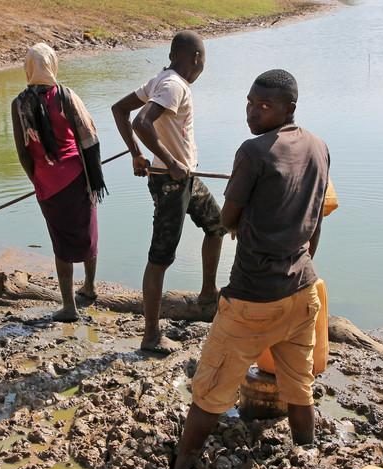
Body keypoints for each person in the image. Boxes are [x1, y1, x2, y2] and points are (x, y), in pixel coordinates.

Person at [168, 69, 330, 469]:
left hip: (253, 297)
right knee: (298, 385)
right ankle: (306, 458)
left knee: (211, 388)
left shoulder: (254, 152)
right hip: (302, 290)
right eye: (250, 103)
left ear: (288, 108)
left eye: (264, 106)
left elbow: (227, 218)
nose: (253, 113)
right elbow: (314, 225)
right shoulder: (318, 147)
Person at [111, 31, 225, 354]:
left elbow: (120, 110)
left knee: (217, 225)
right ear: (196, 59)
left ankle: (207, 295)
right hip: (171, 182)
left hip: (186, 178)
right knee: (160, 256)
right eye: (202, 59)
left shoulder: (161, 80)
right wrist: (171, 161)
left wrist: (136, 154)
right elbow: (141, 122)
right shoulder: (174, 85)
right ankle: (150, 335)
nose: (202, 66)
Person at [11, 43, 108, 322]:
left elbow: (22, 151)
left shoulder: (19, 104)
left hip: (47, 184)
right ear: (52, 65)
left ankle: (69, 306)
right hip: (78, 178)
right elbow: (88, 132)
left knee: (61, 244)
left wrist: (37, 179)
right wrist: (93, 174)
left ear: (29, 68)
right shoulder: (66, 96)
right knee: (89, 233)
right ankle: (89, 287)